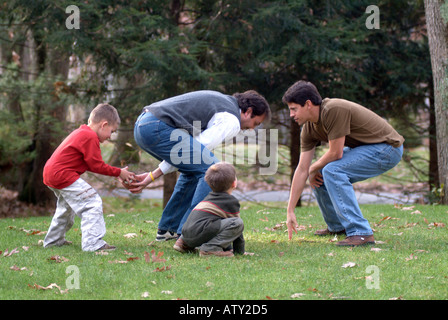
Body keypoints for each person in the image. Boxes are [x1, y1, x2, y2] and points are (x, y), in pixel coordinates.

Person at [126, 90, 270, 241]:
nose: (252, 129)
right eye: (256, 123)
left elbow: (189, 151)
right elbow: (200, 146)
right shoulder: (232, 120)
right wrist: (155, 174)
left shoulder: (224, 104)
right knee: (212, 170)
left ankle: (168, 230)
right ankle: (190, 232)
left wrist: (152, 176)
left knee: (194, 170)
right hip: (157, 127)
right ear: (248, 112)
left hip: (143, 125)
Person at [284, 81, 404, 246]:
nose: (291, 115)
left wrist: (312, 169)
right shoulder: (309, 129)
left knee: (332, 171)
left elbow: (335, 152)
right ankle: (337, 226)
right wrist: (290, 210)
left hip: (388, 149)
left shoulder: (333, 110)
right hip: (367, 148)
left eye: (293, 109)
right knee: (322, 173)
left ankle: (361, 233)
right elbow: (302, 169)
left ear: (308, 104)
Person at [43, 103, 135, 252]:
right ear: (103, 125)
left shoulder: (82, 133)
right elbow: (96, 165)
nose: (110, 136)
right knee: (92, 202)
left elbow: (91, 164)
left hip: (52, 173)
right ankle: (93, 244)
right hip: (62, 174)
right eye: (111, 131)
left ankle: (53, 241)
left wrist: (117, 173)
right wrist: (119, 172)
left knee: (66, 208)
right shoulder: (90, 136)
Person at [173, 162, 244, 257]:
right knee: (237, 223)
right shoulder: (230, 201)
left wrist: (228, 249)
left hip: (186, 234)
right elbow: (236, 230)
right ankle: (210, 249)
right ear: (234, 183)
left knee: (206, 220)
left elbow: (222, 227)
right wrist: (239, 251)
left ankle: (182, 244)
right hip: (199, 232)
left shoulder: (208, 198)